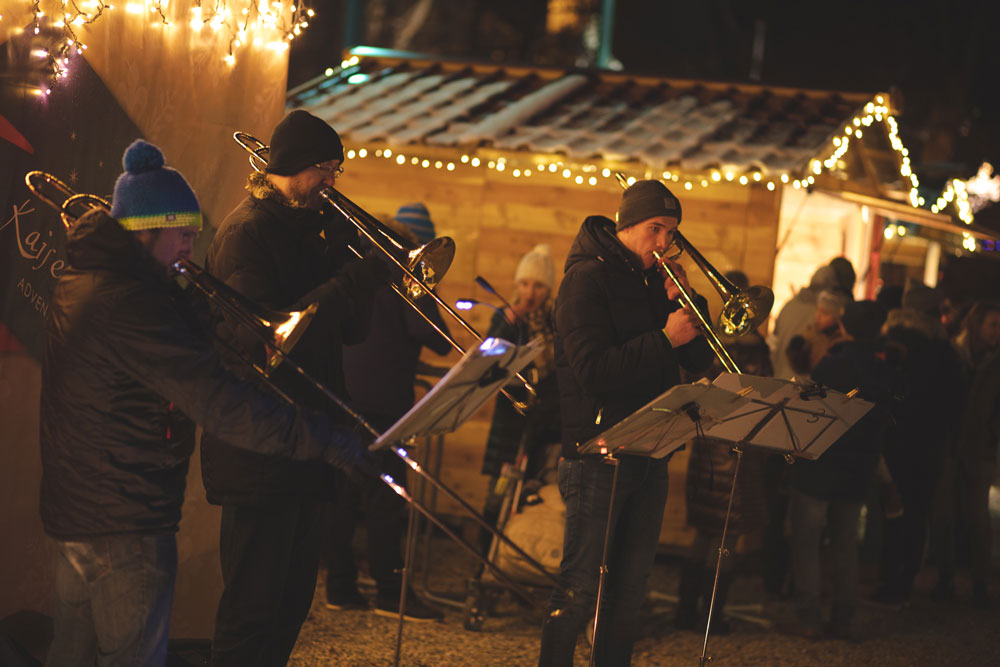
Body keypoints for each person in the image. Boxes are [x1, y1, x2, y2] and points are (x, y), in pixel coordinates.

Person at [39, 140, 368, 667]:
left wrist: (189, 305)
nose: (192, 248)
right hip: (126, 518)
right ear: (146, 231)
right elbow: (217, 400)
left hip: (85, 509)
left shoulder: (98, 282)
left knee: (72, 654)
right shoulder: (129, 303)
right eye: (184, 235)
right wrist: (326, 440)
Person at [200, 110, 384, 666]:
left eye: (336, 168)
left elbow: (349, 333)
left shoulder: (309, 228)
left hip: (306, 444)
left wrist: (358, 273)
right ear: (292, 166)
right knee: (251, 611)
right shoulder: (247, 232)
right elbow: (265, 344)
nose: (332, 179)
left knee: (291, 604)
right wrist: (346, 281)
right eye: (323, 167)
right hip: (258, 448)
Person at [538, 180, 712, 666]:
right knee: (577, 590)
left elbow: (700, 360)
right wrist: (664, 339)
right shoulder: (585, 280)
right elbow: (593, 371)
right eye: (655, 229)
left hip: (652, 451)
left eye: (670, 233)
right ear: (627, 225)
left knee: (629, 592)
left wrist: (687, 302)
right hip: (598, 454)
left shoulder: (655, 282)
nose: (663, 242)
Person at [324, 205, 451, 621]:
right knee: (386, 500)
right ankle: (390, 592)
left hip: (343, 395)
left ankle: (340, 587)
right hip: (385, 405)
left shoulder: (355, 265)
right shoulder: (404, 274)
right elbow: (439, 339)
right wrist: (428, 287)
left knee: (343, 498)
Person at [781, 300, 892, 640]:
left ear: (845, 326)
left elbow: (812, 410)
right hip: (858, 467)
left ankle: (809, 618)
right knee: (845, 544)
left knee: (807, 543)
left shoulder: (833, 363)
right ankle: (844, 618)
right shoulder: (883, 369)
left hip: (820, 465)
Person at [674, 269, 771, 634]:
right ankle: (711, 618)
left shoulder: (707, 341)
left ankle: (685, 612)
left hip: (706, 449)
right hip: (738, 450)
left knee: (704, 533)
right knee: (725, 539)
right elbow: (765, 395)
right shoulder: (755, 349)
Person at [874, 282, 964, 605]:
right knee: (915, 511)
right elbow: (954, 402)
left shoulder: (886, 342)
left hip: (889, 437)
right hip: (926, 443)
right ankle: (904, 578)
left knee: (889, 508)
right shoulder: (942, 351)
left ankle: (885, 575)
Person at [480, 243, 562, 549]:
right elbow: (486, 360)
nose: (530, 293)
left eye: (538, 286)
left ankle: (516, 558)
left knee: (534, 495)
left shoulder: (555, 322)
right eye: (525, 284)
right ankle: (486, 558)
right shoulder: (505, 317)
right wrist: (505, 325)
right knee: (497, 495)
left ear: (548, 289)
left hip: (546, 425)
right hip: (511, 423)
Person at [933, 300, 1000, 607]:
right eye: (993, 325)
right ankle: (945, 577)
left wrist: (991, 433)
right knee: (944, 513)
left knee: (977, 516)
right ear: (976, 325)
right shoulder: (953, 355)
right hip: (949, 443)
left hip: (979, 446)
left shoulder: (995, 363)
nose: (997, 332)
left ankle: (980, 582)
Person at [768, 263, 837, 379]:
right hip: (803, 383)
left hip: (778, 377)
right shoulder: (823, 313)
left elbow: (773, 342)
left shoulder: (789, 305)